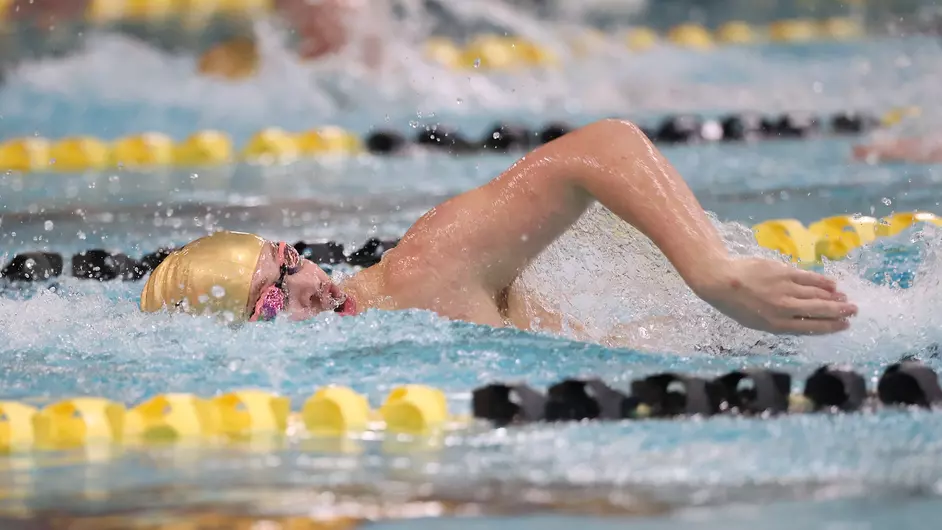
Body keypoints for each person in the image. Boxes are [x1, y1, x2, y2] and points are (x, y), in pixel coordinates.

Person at [141, 119, 858, 340]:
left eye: (289, 259)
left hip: (777, 333)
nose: (310, 285)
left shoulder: (424, 270)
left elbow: (602, 146)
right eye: (273, 299)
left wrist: (713, 273)